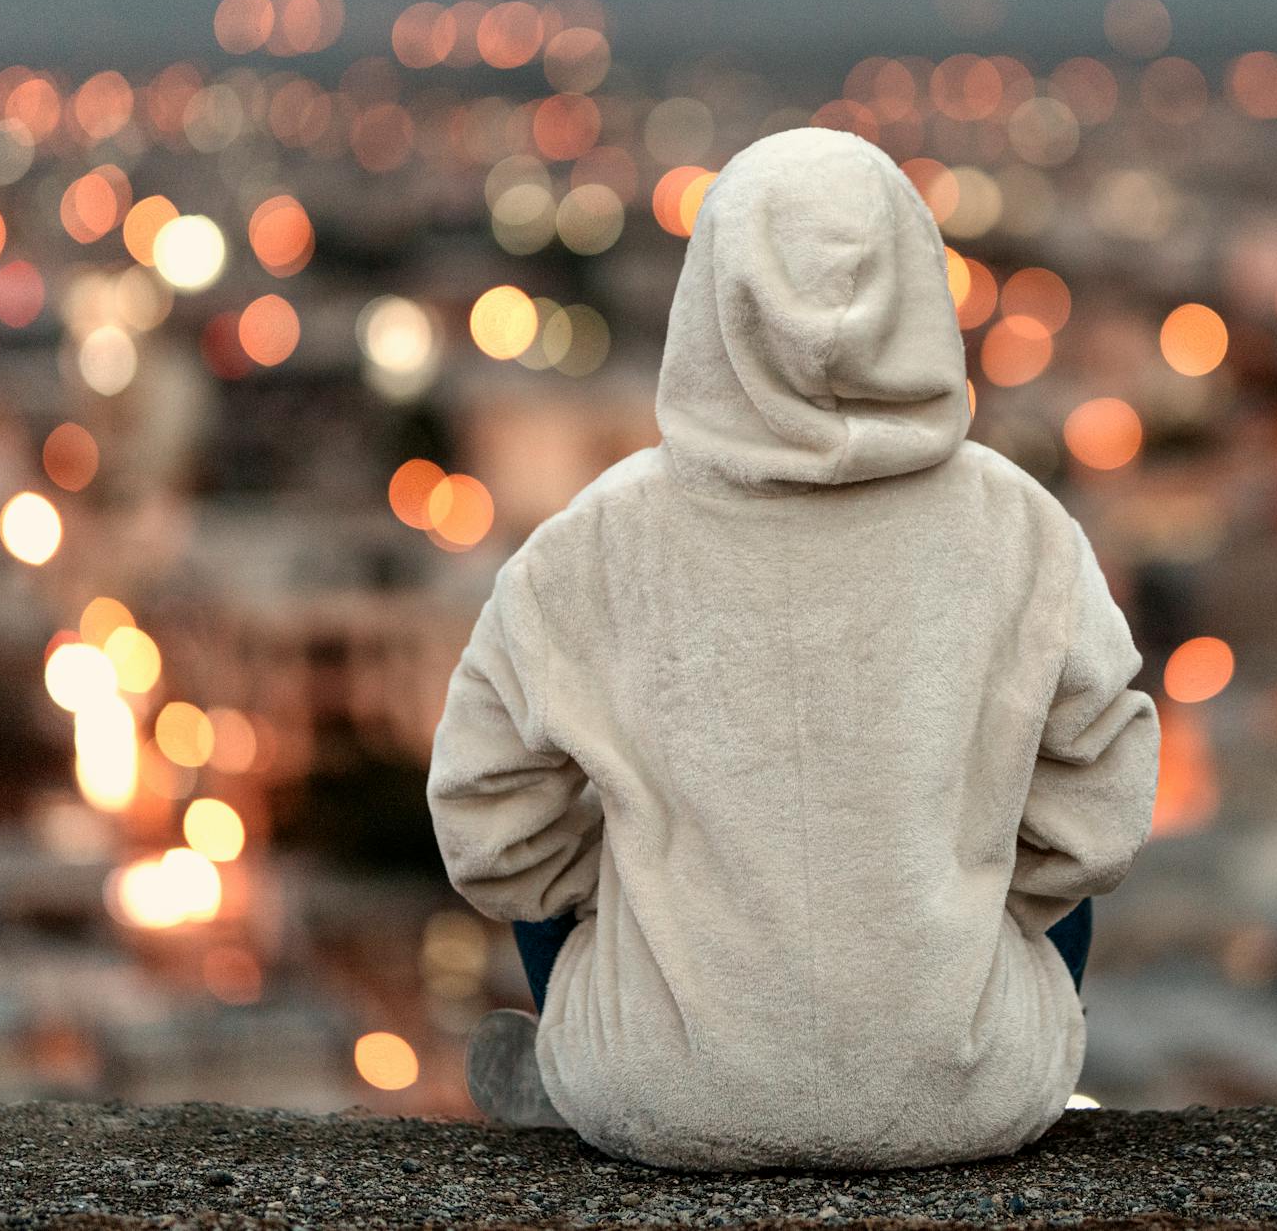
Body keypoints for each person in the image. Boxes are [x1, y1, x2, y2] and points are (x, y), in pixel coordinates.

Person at [425, 126, 1161, 1171]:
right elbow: (1100, 812)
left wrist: (626, 902)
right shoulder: (1023, 527)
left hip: (657, 1091)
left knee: (590, 846)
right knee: (1021, 838)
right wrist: (968, 910)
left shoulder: (590, 544)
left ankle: (573, 1052)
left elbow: (487, 827)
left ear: (712, 293)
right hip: (969, 1086)